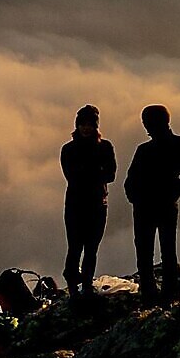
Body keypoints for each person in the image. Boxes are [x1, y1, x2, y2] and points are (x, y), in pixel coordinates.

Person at [124, 105, 180, 303]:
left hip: (148, 206)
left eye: (147, 122)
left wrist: (135, 197)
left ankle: (152, 294)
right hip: (159, 204)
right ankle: (165, 294)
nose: (146, 127)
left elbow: (130, 180)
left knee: (147, 250)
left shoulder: (145, 150)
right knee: (165, 249)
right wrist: (173, 194)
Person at [60, 104, 116, 294]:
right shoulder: (68, 150)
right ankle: (74, 284)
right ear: (77, 125)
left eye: (89, 124)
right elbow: (72, 175)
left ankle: (85, 285)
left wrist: (87, 172)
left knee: (91, 247)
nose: (86, 128)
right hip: (77, 205)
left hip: (96, 204)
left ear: (95, 126)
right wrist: (96, 172)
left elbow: (111, 174)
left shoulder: (105, 147)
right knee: (75, 246)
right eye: (82, 124)